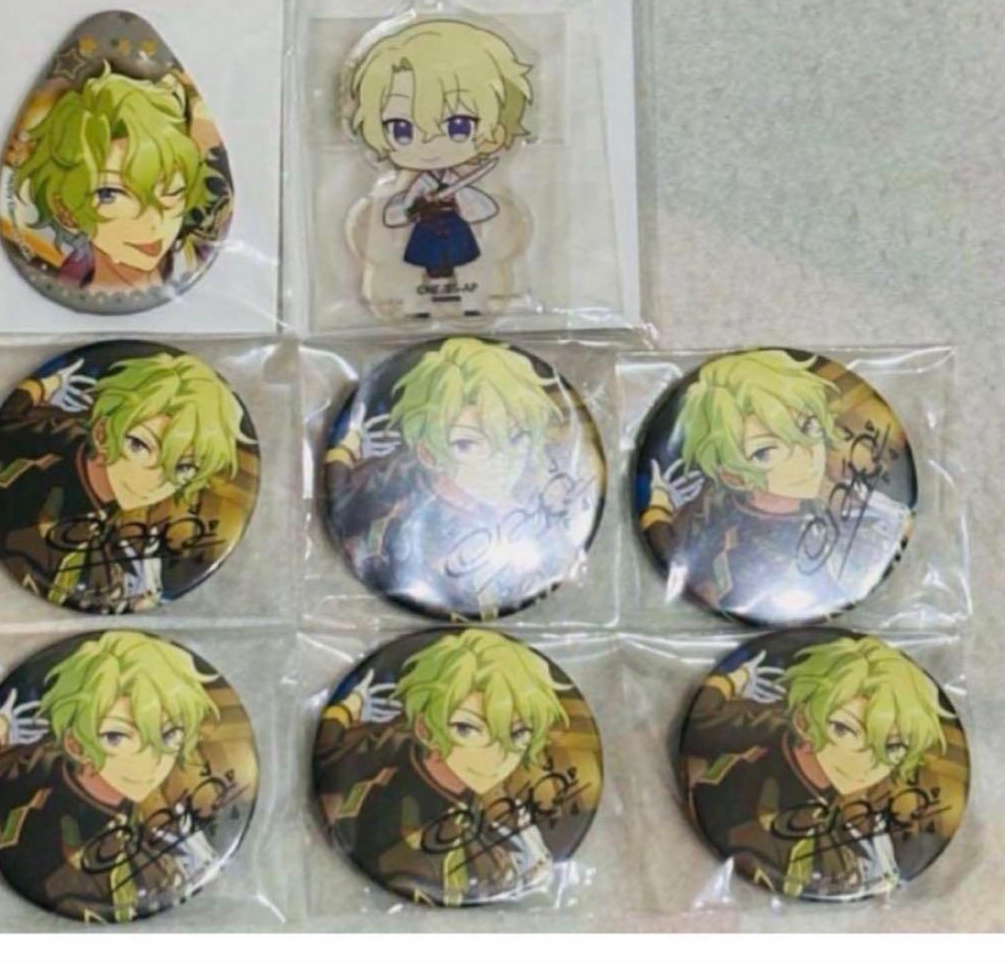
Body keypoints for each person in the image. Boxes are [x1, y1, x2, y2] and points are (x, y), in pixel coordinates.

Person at [324, 337, 593, 618]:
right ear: (428, 454)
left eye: (516, 438)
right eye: (467, 444)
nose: (500, 462)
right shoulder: (396, 526)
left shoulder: (541, 511)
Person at [0, 631, 222, 922]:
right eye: (116, 736)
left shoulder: (136, 814)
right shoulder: (44, 823)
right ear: (75, 745)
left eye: (170, 734)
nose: (150, 761)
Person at [641, 349, 912, 624]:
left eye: (808, 427)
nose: (806, 456)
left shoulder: (844, 502)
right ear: (734, 476)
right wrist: (658, 509)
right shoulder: (730, 539)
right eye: (766, 452)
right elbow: (685, 562)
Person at [682, 635, 953, 899]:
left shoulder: (862, 805)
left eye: (892, 747)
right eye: (843, 729)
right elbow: (703, 720)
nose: (865, 763)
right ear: (802, 721)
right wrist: (736, 679)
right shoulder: (763, 737)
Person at [314, 629, 572, 905]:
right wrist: (348, 708)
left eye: (518, 734)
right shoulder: (391, 774)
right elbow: (330, 758)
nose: (495, 757)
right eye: (467, 729)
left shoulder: (494, 805)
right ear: (425, 729)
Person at [0, 350, 250, 612]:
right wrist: (48, 384)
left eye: (183, 467)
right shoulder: (54, 450)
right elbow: (6, 425)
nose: (154, 481)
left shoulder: (118, 514)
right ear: (101, 434)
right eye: (139, 445)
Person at [348, 20, 532, 292]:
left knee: (458, 256)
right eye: (402, 129)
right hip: (426, 226)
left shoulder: (457, 179)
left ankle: (458, 287)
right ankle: (429, 286)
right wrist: (416, 205)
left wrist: (458, 201)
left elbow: (482, 206)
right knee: (429, 258)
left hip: (453, 225)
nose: (430, 145)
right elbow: (398, 212)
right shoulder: (416, 182)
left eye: (459, 126)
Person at [8, 66, 226, 292]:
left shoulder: (204, 266)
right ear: (65, 211)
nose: (153, 223)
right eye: (110, 194)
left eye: (172, 191)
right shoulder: (59, 283)